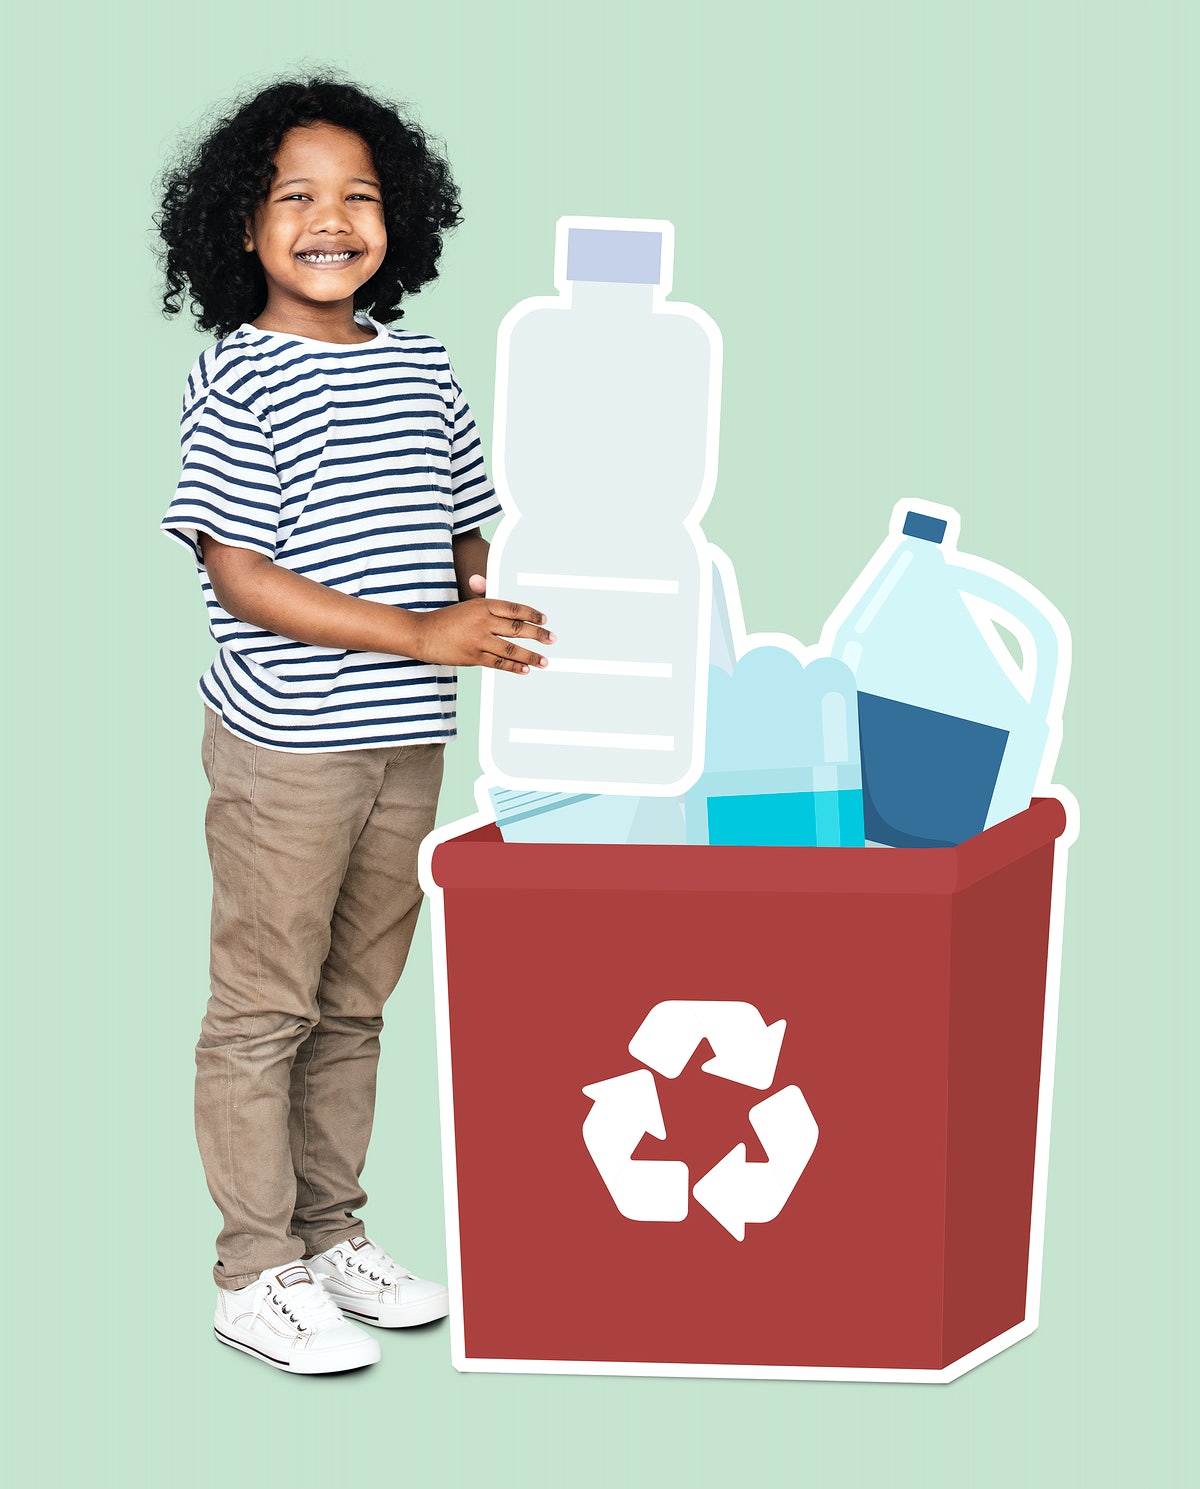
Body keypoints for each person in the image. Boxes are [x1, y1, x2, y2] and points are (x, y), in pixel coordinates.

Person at [156, 73, 554, 1374]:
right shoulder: (238, 376)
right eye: (296, 197)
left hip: (406, 742)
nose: (332, 221)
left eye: (360, 196)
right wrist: (426, 634)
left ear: (400, 219)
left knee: (354, 1003)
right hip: (288, 748)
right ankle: (252, 1268)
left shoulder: (424, 367)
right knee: (264, 1006)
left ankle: (331, 1236)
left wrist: (498, 598)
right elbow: (241, 575)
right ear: (242, 224)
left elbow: (467, 532)